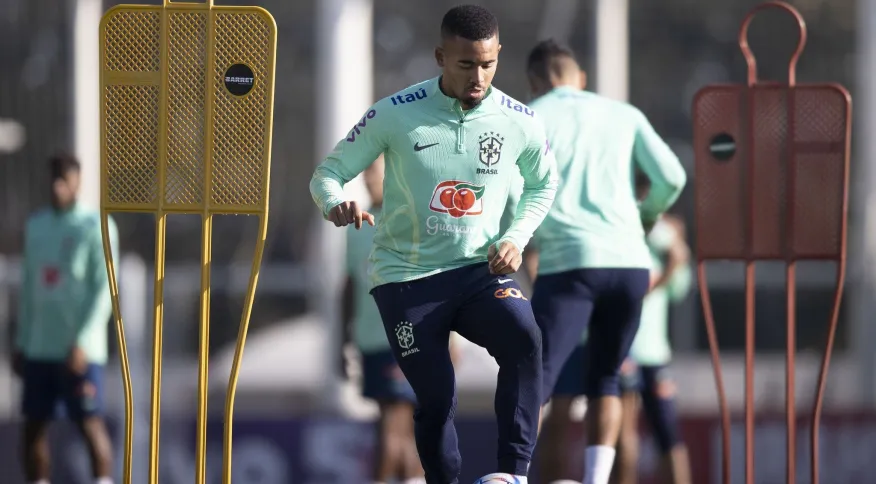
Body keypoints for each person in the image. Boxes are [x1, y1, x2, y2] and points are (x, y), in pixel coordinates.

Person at [310, 5, 558, 482]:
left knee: (525, 338)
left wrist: (516, 236)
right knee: (437, 395)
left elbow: (542, 184)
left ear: (498, 54)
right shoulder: (394, 113)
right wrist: (334, 203)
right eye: (466, 64)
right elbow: (327, 174)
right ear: (441, 56)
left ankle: (511, 474)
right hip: (407, 279)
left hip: (478, 272)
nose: (478, 76)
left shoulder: (520, 121)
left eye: (487, 64)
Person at [522, 39, 686, 484]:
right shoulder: (623, 113)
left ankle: (512, 474)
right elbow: (672, 176)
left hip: (571, 262)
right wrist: (645, 217)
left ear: (535, 82)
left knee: (534, 376)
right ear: (581, 78)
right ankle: (596, 480)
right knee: (607, 379)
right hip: (630, 263)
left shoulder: (531, 117)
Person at [13, 153, 118, 484]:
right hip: (41, 347)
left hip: (78, 350)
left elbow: (105, 290)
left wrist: (84, 340)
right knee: (33, 427)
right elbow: (29, 288)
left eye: (65, 179)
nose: (58, 186)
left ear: (78, 181)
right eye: (54, 179)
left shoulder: (94, 225)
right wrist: (21, 341)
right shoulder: (36, 226)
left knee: (89, 423)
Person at [342, 156, 426, 484]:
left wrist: (450, 337)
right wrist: (342, 338)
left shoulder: (410, 221)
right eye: (365, 173)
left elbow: (433, 281)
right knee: (395, 424)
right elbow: (348, 285)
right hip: (370, 340)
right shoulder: (357, 225)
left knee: (396, 422)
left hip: (405, 336)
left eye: (374, 173)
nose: (368, 179)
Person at [612, 175, 693, 484]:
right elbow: (678, 272)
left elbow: (678, 284)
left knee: (654, 435)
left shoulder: (638, 228)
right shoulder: (656, 229)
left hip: (646, 350)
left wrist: (670, 267)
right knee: (641, 436)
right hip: (634, 349)